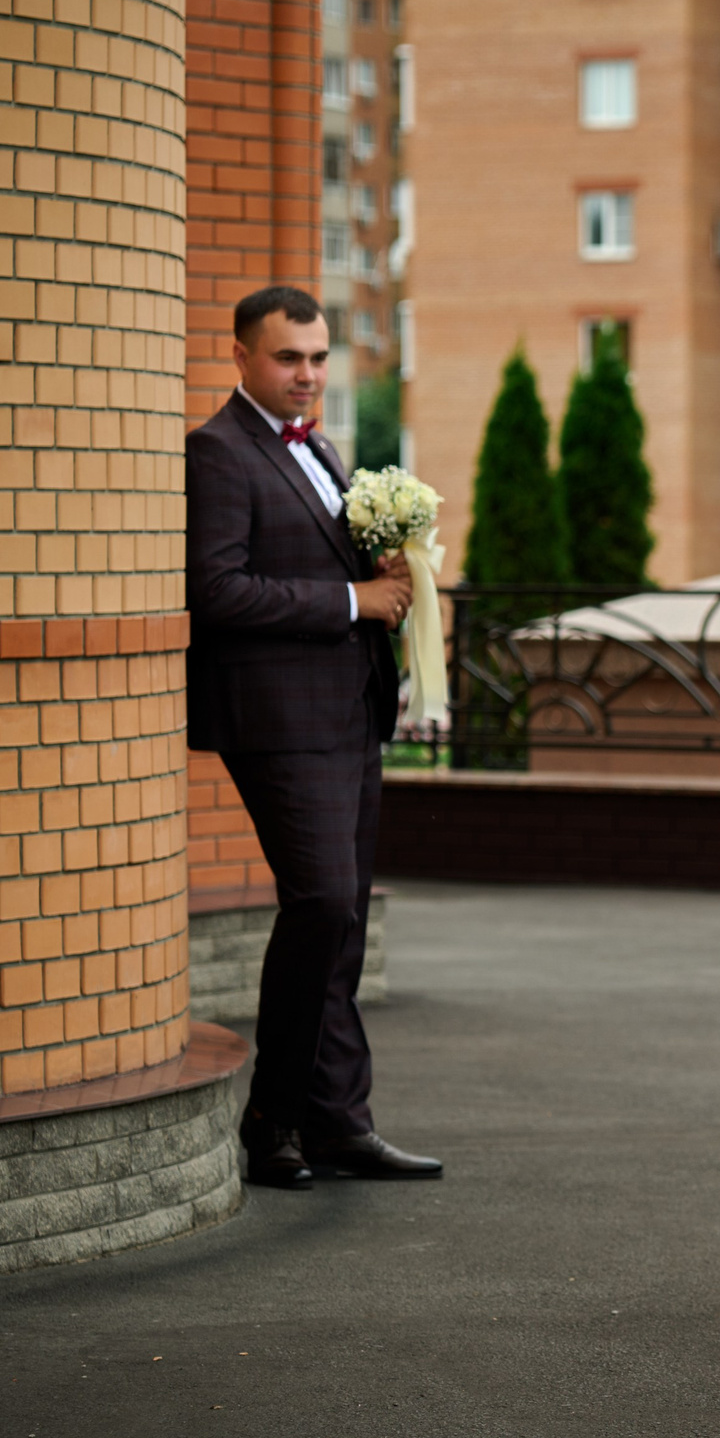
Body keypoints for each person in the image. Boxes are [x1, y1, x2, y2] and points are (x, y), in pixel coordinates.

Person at [186, 286, 441, 1189]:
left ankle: (339, 1122)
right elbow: (217, 591)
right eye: (288, 357)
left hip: (351, 712)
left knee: (344, 921)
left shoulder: (322, 448)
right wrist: (352, 600)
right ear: (243, 358)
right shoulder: (217, 452)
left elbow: (318, 558)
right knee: (323, 905)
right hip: (280, 721)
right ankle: (272, 1120)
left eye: (320, 357)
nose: (308, 375)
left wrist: (385, 570)